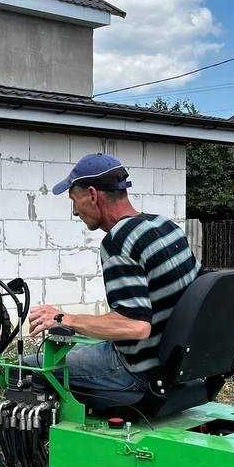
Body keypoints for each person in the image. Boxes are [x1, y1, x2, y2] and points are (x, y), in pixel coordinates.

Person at [28, 152, 200, 411]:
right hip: (179, 367)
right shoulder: (166, 226)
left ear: (93, 195)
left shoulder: (119, 241)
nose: (75, 211)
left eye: (74, 200)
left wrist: (63, 319)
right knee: (89, 346)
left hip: (137, 373)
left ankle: (38, 450)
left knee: (26, 368)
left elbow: (135, 326)